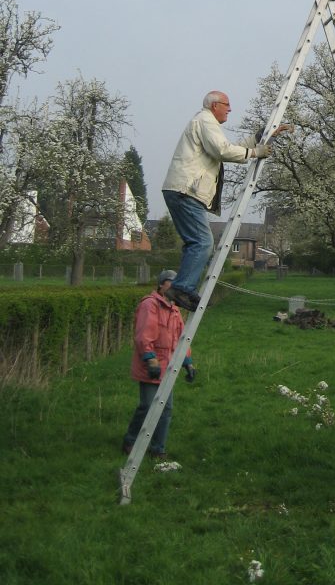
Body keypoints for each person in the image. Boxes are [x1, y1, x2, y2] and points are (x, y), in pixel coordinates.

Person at [162, 90, 290, 310]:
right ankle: (182, 288)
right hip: (186, 192)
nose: (230, 109)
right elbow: (223, 150)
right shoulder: (205, 121)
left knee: (195, 243)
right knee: (203, 242)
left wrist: (259, 138)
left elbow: (230, 147)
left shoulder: (205, 123)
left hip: (180, 190)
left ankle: (184, 287)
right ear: (215, 106)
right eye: (227, 104)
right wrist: (256, 152)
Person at [122, 269, 194, 459]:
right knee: (147, 406)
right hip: (151, 365)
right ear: (161, 284)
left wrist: (187, 361)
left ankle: (158, 448)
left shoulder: (175, 309)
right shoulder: (150, 305)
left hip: (168, 367)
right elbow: (144, 335)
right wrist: (150, 359)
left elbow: (181, 337)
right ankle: (130, 440)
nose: (174, 286)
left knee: (166, 409)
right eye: (171, 282)